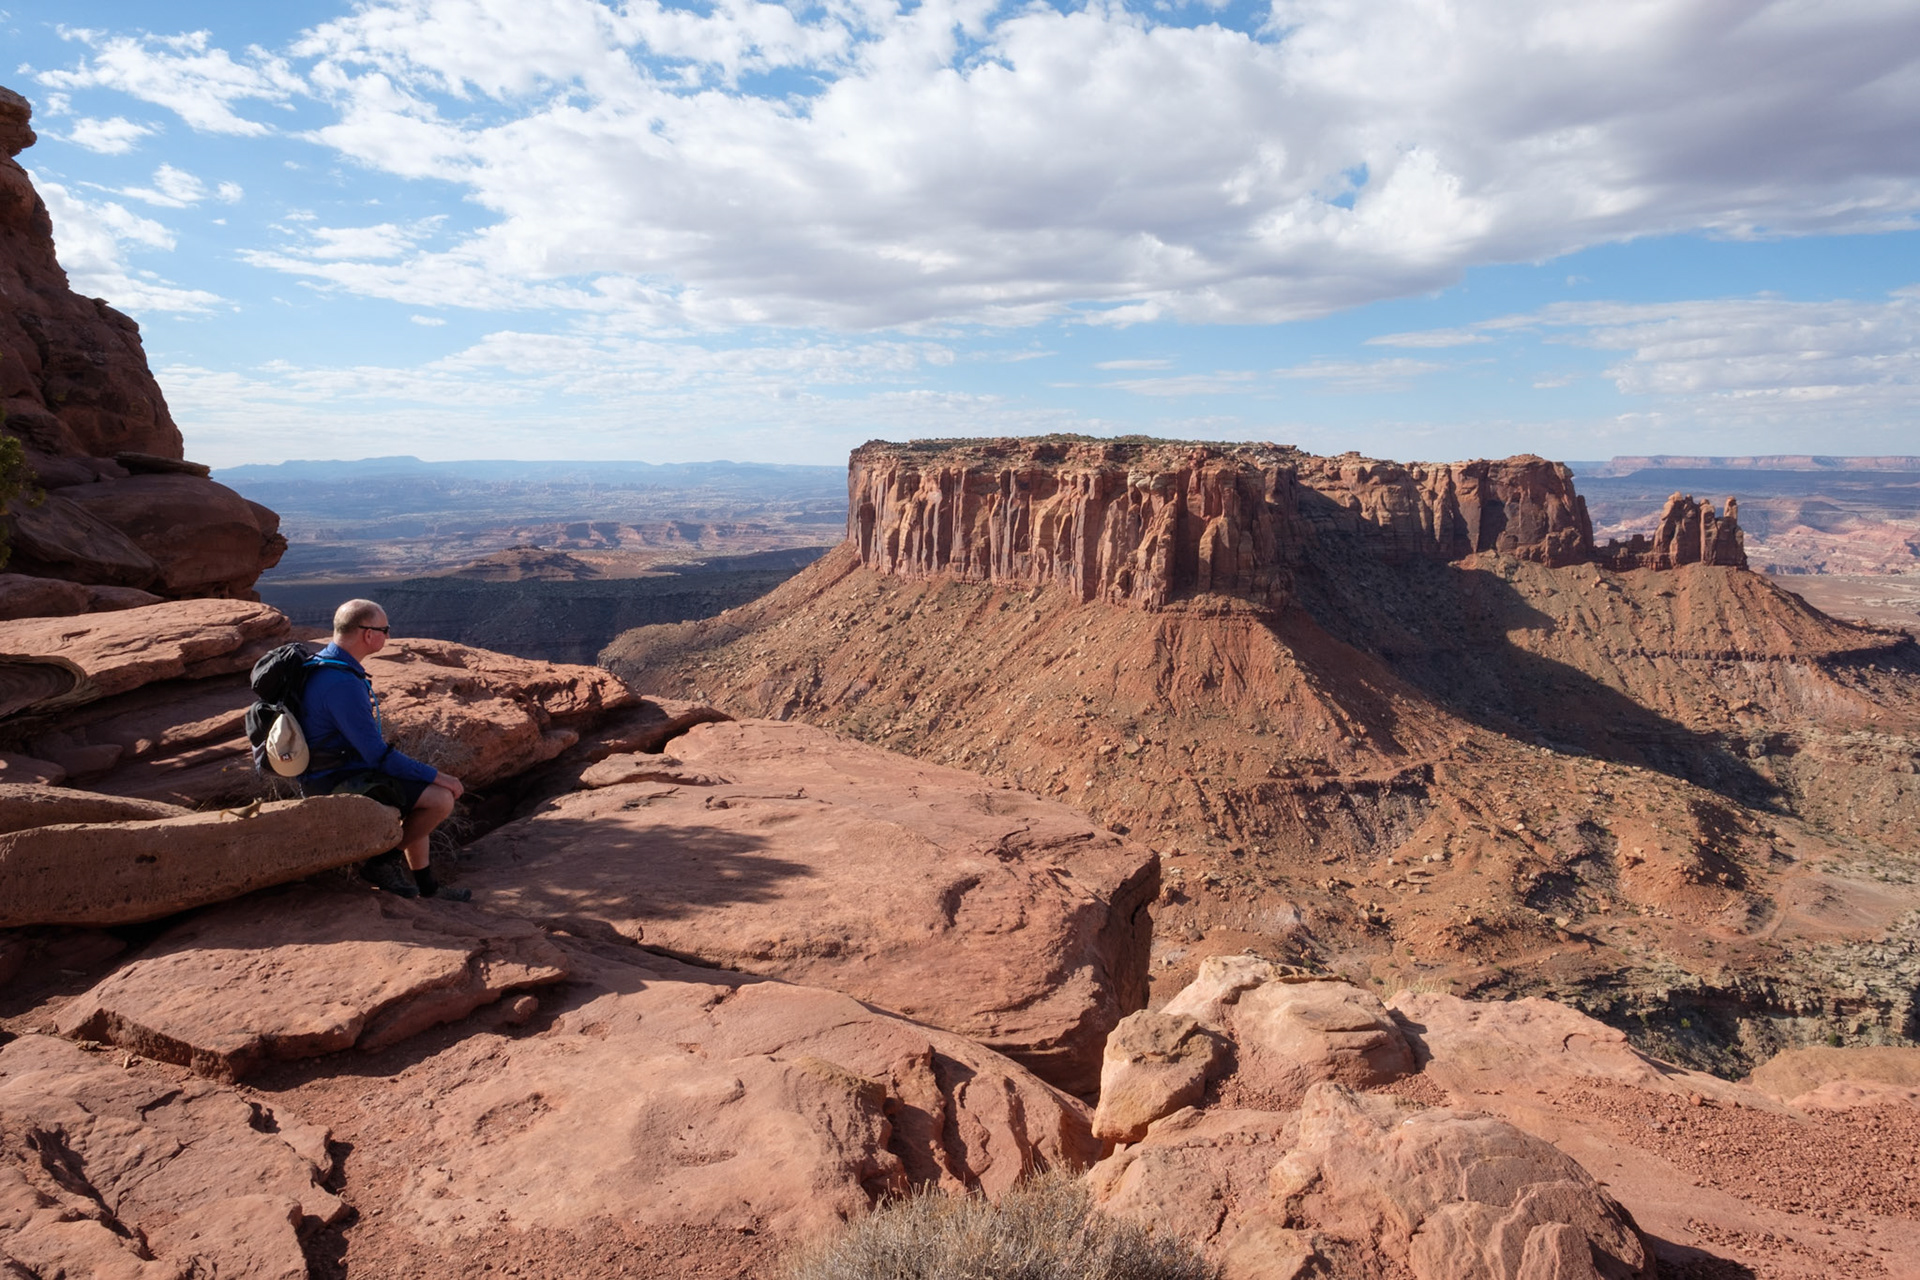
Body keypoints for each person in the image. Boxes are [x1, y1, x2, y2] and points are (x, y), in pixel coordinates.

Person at [299, 599, 469, 900]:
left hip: (328, 769)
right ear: (367, 634)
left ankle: (427, 887)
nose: (388, 636)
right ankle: (381, 864)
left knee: (419, 791)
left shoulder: (323, 663)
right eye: (385, 630)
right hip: (333, 780)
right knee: (440, 799)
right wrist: (440, 776)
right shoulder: (341, 683)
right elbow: (376, 754)